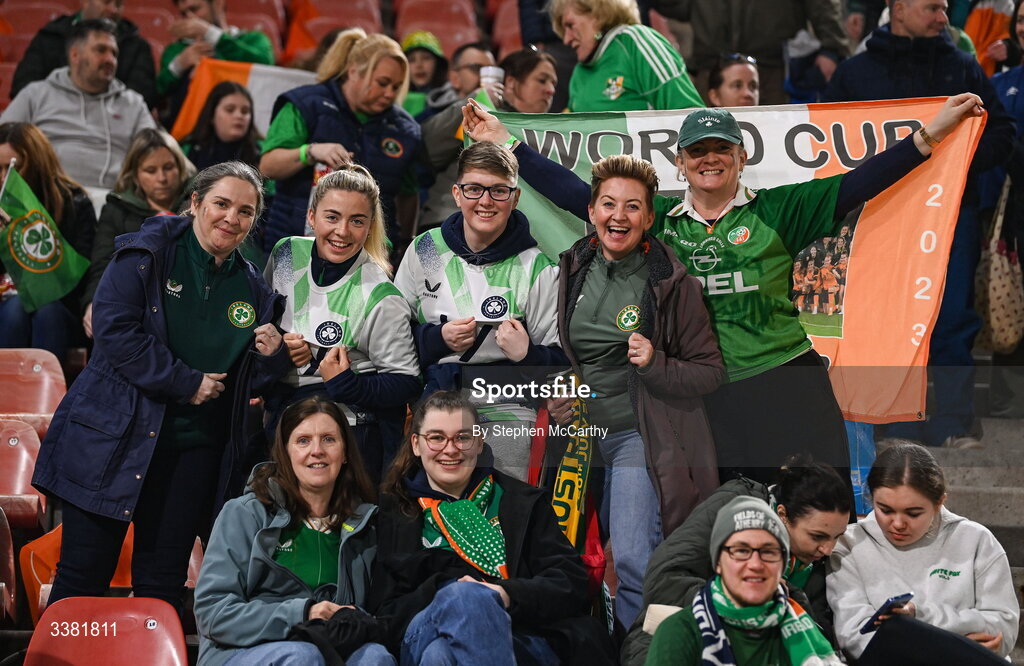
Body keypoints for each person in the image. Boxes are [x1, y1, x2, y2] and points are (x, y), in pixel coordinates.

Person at [462, 91, 985, 490]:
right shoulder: (657, 220)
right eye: (697, 152)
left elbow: (861, 182)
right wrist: (505, 142)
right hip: (702, 394)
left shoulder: (777, 210)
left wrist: (930, 135)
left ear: (740, 156)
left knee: (821, 506)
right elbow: (579, 194)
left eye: (720, 149)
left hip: (787, 381)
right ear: (682, 163)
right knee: (724, 518)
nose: (709, 159)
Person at [31, 162, 292, 617]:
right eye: (222, 204)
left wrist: (271, 356)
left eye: (245, 211)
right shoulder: (147, 254)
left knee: (162, 586)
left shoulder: (253, 287)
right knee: (82, 576)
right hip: (112, 440)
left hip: (190, 456)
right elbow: (115, 332)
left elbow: (252, 385)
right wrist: (184, 382)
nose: (231, 218)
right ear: (195, 203)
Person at [826, 0, 1016, 449]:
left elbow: (1003, 133)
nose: (942, 18)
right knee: (882, 321)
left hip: (950, 216)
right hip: (876, 219)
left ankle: (954, 420)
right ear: (899, 6)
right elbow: (826, 144)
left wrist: (958, 168)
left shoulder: (965, 68)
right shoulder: (853, 75)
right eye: (933, 7)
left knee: (952, 318)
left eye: (945, 8)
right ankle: (890, 421)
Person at [548, 154, 724, 629]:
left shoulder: (671, 280)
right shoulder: (573, 265)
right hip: (580, 441)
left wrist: (656, 363)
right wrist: (562, 390)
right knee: (575, 560)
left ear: (649, 217)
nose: (618, 217)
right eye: (608, 204)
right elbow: (572, 354)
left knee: (631, 560)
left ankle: (642, 654)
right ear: (591, 211)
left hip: (635, 437)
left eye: (632, 207)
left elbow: (710, 372)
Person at [368, 390, 615, 665]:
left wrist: (505, 594)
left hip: (522, 633)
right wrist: (450, 594)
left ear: (479, 441)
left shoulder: (522, 502)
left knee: (441, 654)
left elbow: (570, 582)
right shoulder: (394, 512)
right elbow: (385, 610)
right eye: (436, 438)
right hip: (423, 629)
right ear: (416, 444)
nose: (450, 449)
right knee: (463, 599)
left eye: (463, 437)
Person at [394, 142, 565, 478]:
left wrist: (527, 355)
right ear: (457, 194)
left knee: (506, 509)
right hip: (436, 401)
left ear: (515, 198)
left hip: (508, 407)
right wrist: (437, 339)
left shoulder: (538, 265)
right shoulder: (425, 249)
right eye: (474, 189)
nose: (485, 201)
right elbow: (391, 339)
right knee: (431, 505)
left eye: (499, 191)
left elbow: (560, 365)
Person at [194, 396, 394, 666]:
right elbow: (213, 613)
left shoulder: (363, 523)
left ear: (345, 452)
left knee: (375, 657)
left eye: (328, 439)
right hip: (241, 651)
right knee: (302, 657)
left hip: (329, 646)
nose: (317, 450)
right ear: (285, 453)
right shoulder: (245, 513)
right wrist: (304, 612)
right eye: (303, 441)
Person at [265, 165, 421, 481]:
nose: (342, 231)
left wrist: (347, 383)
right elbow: (265, 325)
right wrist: (277, 351)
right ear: (312, 216)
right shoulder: (286, 254)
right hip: (283, 424)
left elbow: (406, 381)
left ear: (369, 227)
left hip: (349, 437)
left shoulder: (380, 294)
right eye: (332, 217)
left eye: (357, 221)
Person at [623, 460, 852, 665]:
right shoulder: (732, 506)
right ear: (782, 515)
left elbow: (818, 629)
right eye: (817, 537)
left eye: (837, 536)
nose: (828, 549)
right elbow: (664, 577)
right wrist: (738, 603)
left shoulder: (816, 560)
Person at [827, 441, 1019, 664]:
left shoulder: (976, 540)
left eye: (913, 513)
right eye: (885, 510)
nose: (897, 523)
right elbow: (857, 638)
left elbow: (1002, 628)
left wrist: (916, 615)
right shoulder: (849, 543)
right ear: (871, 499)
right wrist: (958, 646)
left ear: (939, 502)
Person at [260, 28, 422, 254]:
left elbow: (408, 193)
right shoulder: (307, 104)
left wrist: (406, 242)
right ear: (353, 72)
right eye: (382, 83)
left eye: (396, 86)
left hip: (371, 254)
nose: (389, 93)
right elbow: (268, 166)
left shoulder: (405, 129)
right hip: (297, 244)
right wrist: (310, 151)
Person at [0, 19, 155, 204]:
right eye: (101, 50)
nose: (110, 59)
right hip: (46, 198)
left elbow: (154, 151)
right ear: (75, 55)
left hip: (112, 201)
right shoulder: (36, 94)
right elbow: (4, 137)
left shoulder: (133, 104)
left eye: (114, 53)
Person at [81, 128, 193, 337]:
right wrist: (92, 302)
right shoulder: (116, 209)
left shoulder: (199, 202)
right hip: (135, 303)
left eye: (168, 167)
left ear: (181, 167)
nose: (162, 178)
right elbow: (103, 263)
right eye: (150, 171)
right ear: (135, 174)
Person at [0, 123, 96, 365]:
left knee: (45, 310)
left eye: (12, 168)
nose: (4, 178)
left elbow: (81, 276)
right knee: (15, 308)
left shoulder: (74, 203)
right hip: (7, 308)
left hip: (60, 311)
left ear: (36, 164)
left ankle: (49, 402)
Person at [684, 0, 849, 105]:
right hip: (711, 63)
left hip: (773, 66)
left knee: (775, 137)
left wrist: (832, 47)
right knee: (708, 140)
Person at [547, 0, 703, 111]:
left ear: (598, 15)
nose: (566, 39)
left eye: (570, 25)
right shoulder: (579, 73)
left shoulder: (636, 42)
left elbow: (688, 114)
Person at [11, 0, 157, 107]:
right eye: (106, 2)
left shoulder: (137, 45)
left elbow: (143, 97)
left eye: (118, 4)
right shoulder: (50, 37)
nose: (113, 10)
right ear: (85, 2)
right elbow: (22, 88)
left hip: (112, 127)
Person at [417, 42, 499, 230]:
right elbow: (426, 151)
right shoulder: (432, 112)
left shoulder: (504, 116)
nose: (485, 76)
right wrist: (475, 101)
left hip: (489, 218)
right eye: (476, 68)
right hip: (443, 217)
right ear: (454, 78)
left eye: (492, 70)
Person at [157, 0, 274, 126]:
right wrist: (179, 65)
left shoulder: (253, 40)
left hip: (249, 128)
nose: (190, 17)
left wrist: (210, 33)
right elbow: (157, 93)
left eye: (195, 9)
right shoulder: (176, 50)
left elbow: (264, 67)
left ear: (218, 4)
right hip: (190, 133)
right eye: (184, 13)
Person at [180, 81, 262, 171]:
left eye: (245, 111)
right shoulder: (188, 150)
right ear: (211, 115)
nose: (239, 116)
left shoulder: (263, 153)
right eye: (230, 110)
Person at [497, 46, 559, 114]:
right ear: (510, 82)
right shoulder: (487, 119)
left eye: (553, 84)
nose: (551, 90)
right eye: (542, 80)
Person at [401, 30, 448, 117]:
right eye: (411, 59)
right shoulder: (393, 98)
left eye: (426, 58)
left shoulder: (450, 96)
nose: (419, 65)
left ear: (438, 64)